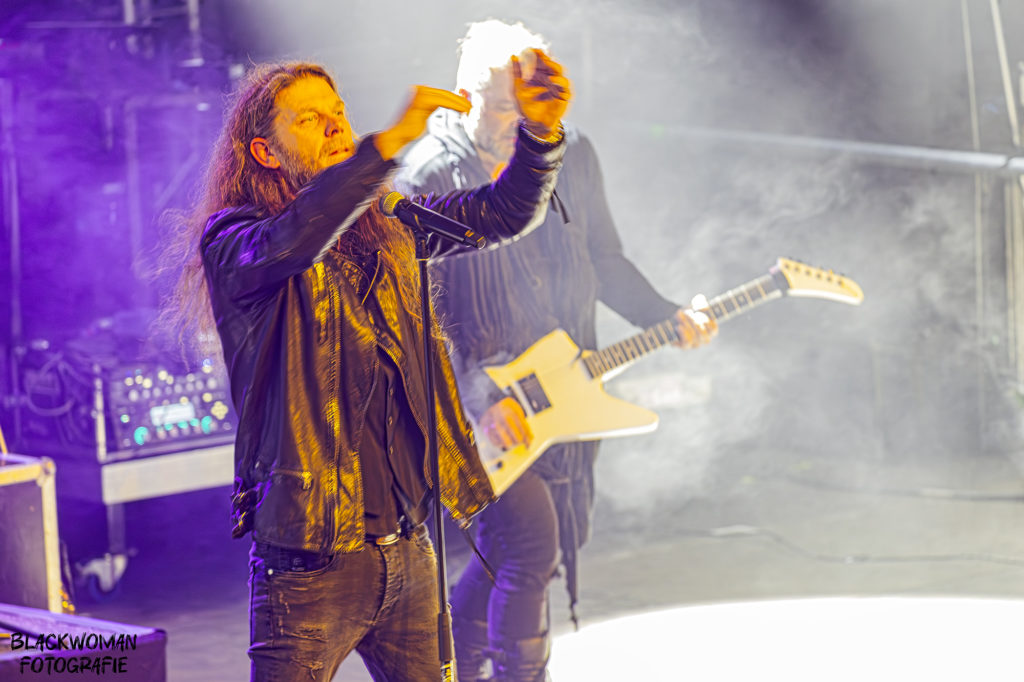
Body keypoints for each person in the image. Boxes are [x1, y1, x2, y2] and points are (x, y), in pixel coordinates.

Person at [159, 54, 570, 681]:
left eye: (339, 112)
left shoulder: (390, 225)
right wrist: (388, 144)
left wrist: (538, 136)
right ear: (265, 152)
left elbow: (499, 214)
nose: (335, 127)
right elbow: (299, 235)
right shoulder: (236, 241)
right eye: (309, 119)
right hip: (310, 564)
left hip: (409, 550)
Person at [397, 20, 717, 682]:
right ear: (463, 97)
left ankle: (452, 668)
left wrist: (664, 315)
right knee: (527, 545)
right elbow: (414, 319)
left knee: (518, 551)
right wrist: (477, 397)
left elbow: (604, 259)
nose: (521, 122)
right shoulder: (427, 176)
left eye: (530, 107)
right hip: (475, 401)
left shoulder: (572, 153)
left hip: (564, 386)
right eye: (501, 105)